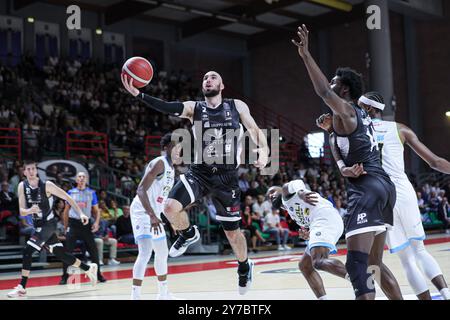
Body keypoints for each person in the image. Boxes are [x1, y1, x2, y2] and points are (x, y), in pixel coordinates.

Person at [121, 70, 269, 295]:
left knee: (233, 233)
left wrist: (265, 152)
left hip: (226, 178)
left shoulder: (236, 106)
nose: (208, 80)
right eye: (205, 78)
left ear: (222, 84)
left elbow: (255, 131)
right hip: (200, 172)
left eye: (213, 77)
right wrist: (140, 95)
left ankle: (244, 265)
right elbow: (167, 106)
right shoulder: (195, 108)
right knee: (169, 207)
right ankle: (188, 233)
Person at [293, 25, 402, 300]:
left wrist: (306, 55)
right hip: (383, 188)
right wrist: (336, 145)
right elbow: (348, 147)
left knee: (356, 264)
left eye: (333, 82)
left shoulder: (347, 108)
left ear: (343, 88)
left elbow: (322, 92)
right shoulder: (354, 118)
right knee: (374, 265)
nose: (329, 85)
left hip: (366, 189)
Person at [322, 92, 450, 300]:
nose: (355, 109)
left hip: (377, 194)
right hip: (401, 190)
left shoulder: (354, 131)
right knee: (419, 250)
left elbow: (342, 157)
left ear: (370, 109)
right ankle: (445, 294)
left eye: (360, 106)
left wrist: (331, 131)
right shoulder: (400, 129)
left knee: (404, 258)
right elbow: (435, 163)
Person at [7, 161, 98, 298]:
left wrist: (81, 213)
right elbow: (22, 210)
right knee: (62, 255)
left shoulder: (47, 185)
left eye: (33, 168)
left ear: (36, 171)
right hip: (38, 226)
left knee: (28, 251)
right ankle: (88, 268)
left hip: (49, 224)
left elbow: (68, 197)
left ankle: (22, 287)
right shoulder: (22, 186)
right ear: (24, 172)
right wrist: (29, 210)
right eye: (28, 169)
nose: (31, 171)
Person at [267, 180, 346, 300]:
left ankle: (358, 278)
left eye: (272, 191)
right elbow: (310, 221)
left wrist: (301, 193)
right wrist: (308, 234)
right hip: (324, 223)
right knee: (305, 265)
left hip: (325, 218)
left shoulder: (287, 193)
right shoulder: (291, 212)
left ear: (280, 190)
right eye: (269, 196)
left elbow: (296, 183)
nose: (271, 195)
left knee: (318, 261)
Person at [130, 133, 178, 300]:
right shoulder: (160, 163)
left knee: (162, 252)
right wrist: (151, 215)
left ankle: (163, 294)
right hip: (142, 212)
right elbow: (141, 189)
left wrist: (169, 219)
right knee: (145, 252)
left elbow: (161, 198)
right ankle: (135, 296)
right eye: (175, 145)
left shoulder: (172, 169)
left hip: (155, 214)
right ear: (166, 148)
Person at [59, 172, 107, 284]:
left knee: (94, 252)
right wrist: (66, 226)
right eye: (79, 177)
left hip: (86, 224)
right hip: (73, 224)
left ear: (86, 179)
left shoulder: (91, 193)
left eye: (83, 177)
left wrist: (96, 223)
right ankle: (64, 276)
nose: (81, 178)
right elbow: (66, 211)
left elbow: (96, 210)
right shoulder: (70, 193)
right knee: (67, 251)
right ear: (76, 179)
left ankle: (99, 275)